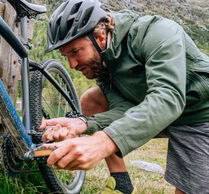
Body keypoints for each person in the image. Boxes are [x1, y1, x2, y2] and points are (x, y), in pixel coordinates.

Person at [40, 0, 209, 193]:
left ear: (101, 35)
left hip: (198, 115)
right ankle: (121, 184)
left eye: (75, 52)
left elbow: (167, 97)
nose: (72, 64)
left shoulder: (158, 32)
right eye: (66, 56)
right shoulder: (103, 64)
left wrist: (102, 142)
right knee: (91, 99)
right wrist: (85, 123)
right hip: (153, 111)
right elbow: (122, 109)